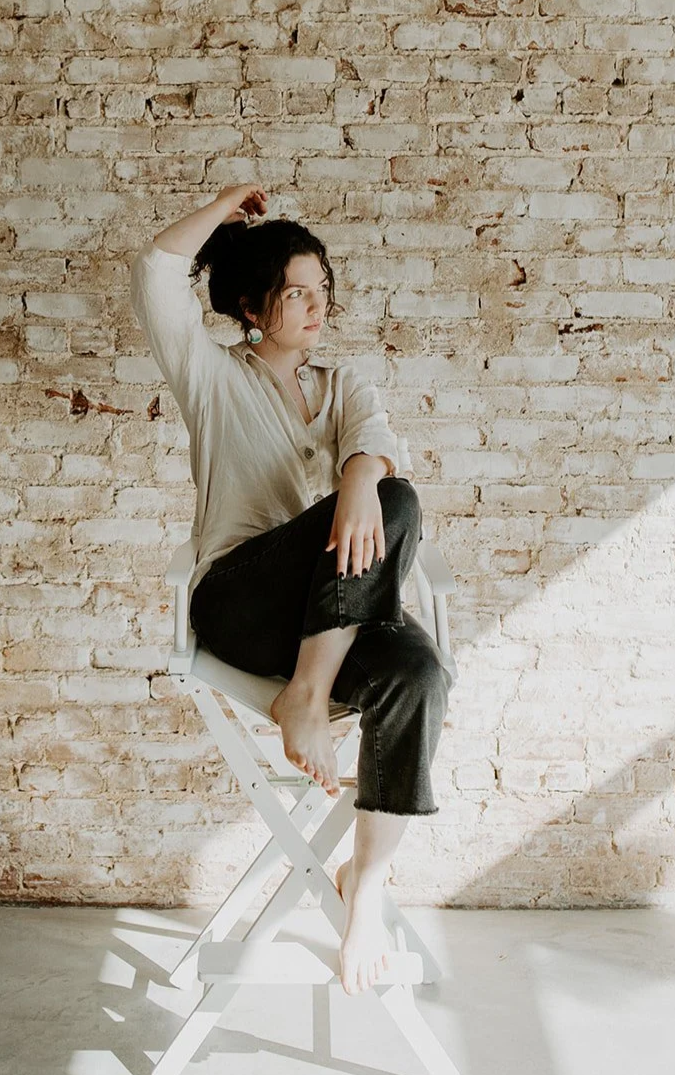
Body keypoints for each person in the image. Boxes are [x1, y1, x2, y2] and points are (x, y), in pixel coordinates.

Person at [130, 184, 453, 997]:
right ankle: (305, 695)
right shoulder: (209, 373)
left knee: (417, 675)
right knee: (396, 499)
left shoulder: (343, 387)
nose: (317, 307)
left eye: (323, 291)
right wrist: (220, 200)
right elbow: (156, 269)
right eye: (296, 293)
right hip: (240, 604)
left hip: (322, 621)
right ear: (250, 306)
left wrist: (355, 480)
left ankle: (364, 894)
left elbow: (374, 444)